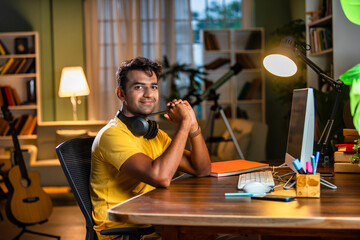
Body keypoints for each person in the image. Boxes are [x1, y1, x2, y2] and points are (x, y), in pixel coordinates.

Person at [90, 56, 211, 240]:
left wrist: (193, 127)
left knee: (205, 230)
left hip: (152, 221)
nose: (148, 94)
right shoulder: (112, 135)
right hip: (122, 232)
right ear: (121, 94)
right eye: (139, 87)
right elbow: (161, 177)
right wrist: (184, 124)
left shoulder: (153, 134)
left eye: (153, 87)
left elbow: (201, 169)